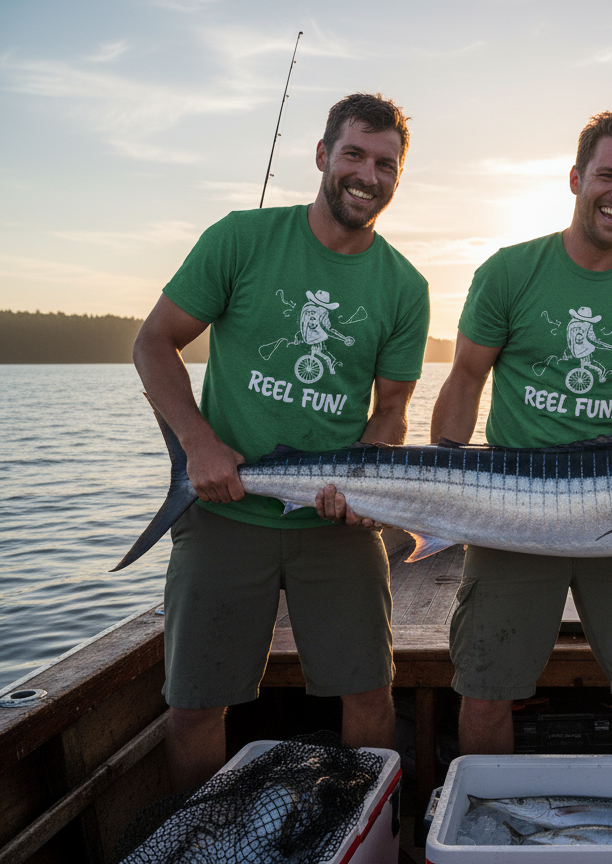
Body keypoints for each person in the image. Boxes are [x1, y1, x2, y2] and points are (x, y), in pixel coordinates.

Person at [133, 93, 430, 792]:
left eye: (386, 163)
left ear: (397, 178)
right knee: (195, 706)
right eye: (354, 153)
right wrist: (199, 443)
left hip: (337, 523)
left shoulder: (405, 286)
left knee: (368, 695)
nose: (368, 174)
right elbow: (153, 343)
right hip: (225, 509)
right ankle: (199, 840)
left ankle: (363, 829)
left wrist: (370, 489)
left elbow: (391, 412)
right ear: (323, 156)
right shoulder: (241, 238)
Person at [431, 110, 612, 756]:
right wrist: (437, 481)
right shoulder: (509, 271)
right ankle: (483, 835)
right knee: (486, 686)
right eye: (608, 175)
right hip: (512, 505)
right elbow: (465, 380)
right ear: (576, 178)